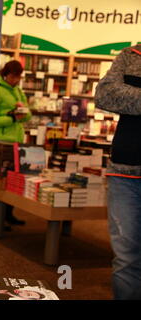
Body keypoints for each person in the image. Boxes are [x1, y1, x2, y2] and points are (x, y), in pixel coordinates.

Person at [94, 44, 141, 300]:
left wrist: (131, 95)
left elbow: (119, 95)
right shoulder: (130, 56)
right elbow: (105, 94)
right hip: (125, 172)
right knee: (126, 259)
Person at [0, 60, 31, 228]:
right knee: (1, 180)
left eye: (18, 77)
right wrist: (11, 117)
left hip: (17, 141)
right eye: (13, 76)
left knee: (15, 180)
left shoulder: (18, 91)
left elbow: (28, 115)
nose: (16, 80)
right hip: (2, 141)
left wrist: (22, 112)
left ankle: (10, 214)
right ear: (5, 74)